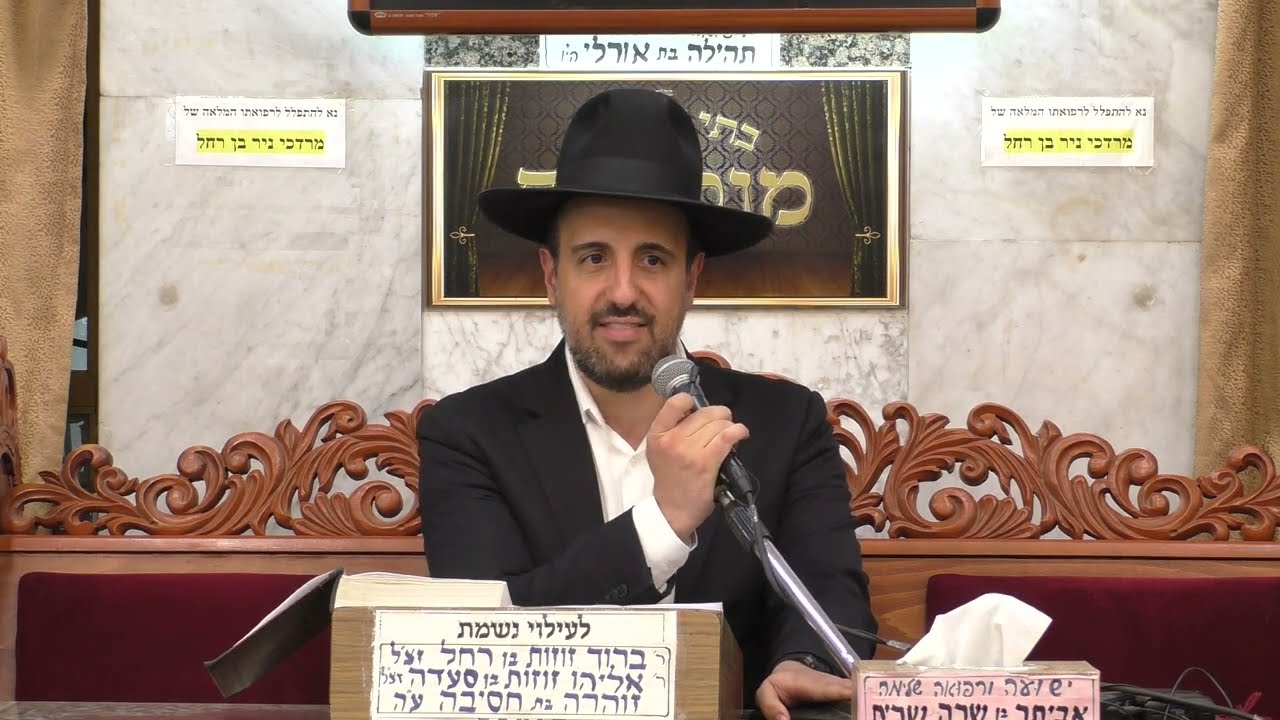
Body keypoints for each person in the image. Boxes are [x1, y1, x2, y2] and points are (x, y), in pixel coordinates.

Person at [417, 87, 878, 720]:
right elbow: (489, 632)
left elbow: (827, 588)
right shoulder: (467, 432)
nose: (623, 292)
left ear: (692, 278)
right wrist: (664, 521)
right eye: (593, 258)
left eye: (653, 260)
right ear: (552, 276)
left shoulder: (785, 421)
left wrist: (808, 663)